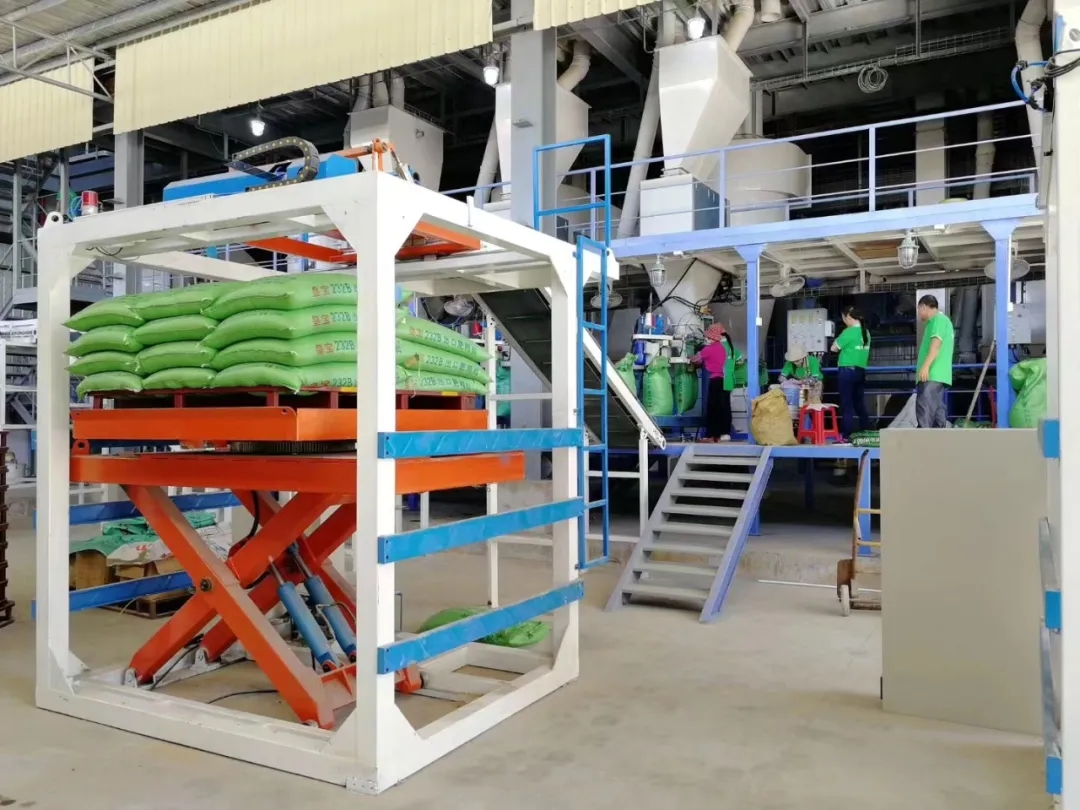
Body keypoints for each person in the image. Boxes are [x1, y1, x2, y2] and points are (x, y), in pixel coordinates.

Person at [831, 306, 872, 439]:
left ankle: (846, 435)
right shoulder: (866, 333)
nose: (843, 321)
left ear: (848, 317)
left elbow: (833, 348)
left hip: (847, 371)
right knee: (859, 404)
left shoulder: (848, 332)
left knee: (846, 404)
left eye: (844, 318)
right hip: (861, 371)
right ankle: (866, 432)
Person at [915, 294, 954, 428]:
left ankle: (923, 438)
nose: (919, 313)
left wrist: (925, 366)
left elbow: (935, 345)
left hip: (932, 373)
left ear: (924, 307)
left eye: (919, 309)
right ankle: (939, 438)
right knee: (937, 411)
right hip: (939, 375)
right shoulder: (939, 322)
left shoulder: (938, 320)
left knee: (925, 409)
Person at [690, 323, 733, 441]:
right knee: (725, 406)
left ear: (712, 337)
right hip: (726, 380)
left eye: (707, 337)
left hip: (716, 380)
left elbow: (696, 360)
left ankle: (713, 434)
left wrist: (690, 357)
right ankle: (725, 433)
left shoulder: (708, 349)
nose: (706, 339)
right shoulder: (724, 348)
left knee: (713, 407)